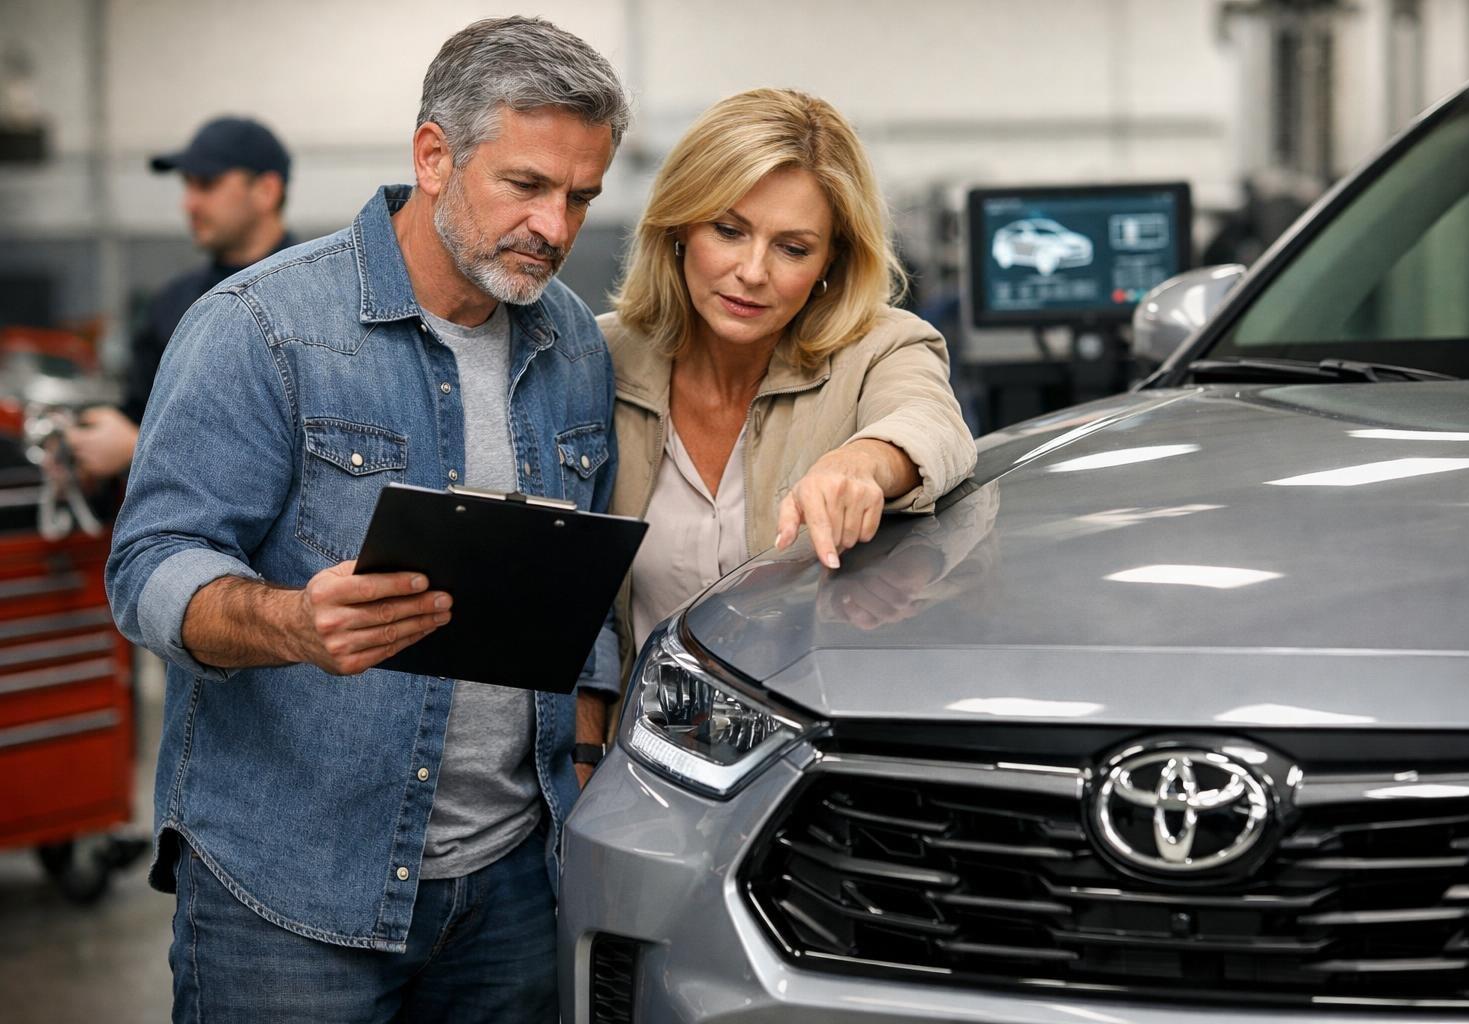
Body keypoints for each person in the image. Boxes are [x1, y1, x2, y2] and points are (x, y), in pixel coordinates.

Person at [104, 17, 628, 1022]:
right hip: (291, 893)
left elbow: (585, 590)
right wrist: (291, 622)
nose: (555, 228)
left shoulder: (571, 344)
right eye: (526, 185)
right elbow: (150, 567)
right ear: (434, 156)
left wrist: (586, 754)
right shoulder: (263, 328)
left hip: (515, 886)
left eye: (581, 197)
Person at [602, 88, 977, 658]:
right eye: (728, 231)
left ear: (831, 260)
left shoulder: (883, 346)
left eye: (793, 249)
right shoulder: (599, 355)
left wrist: (861, 463)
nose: (753, 272)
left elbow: (934, 423)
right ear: (678, 226)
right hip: (639, 715)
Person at [67, 116, 295, 479]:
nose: (188, 204)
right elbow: (141, 412)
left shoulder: (316, 301)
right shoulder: (172, 304)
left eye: (207, 184)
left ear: (266, 191)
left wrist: (141, 448)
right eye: (187, 185)